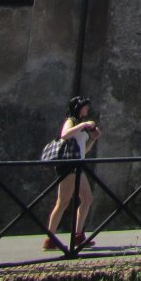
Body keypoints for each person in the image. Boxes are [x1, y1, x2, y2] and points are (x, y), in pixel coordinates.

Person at [44, 95, 101, 250]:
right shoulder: (71, 121)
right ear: (78, 107)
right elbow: (64, 135)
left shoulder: (80, 125)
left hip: (78, 165)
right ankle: (50, 239)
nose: (87, 109)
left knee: (87, 198)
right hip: (69, 167)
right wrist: (83, 125)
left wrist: (93, 139)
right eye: (85, 106)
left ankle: (78, 235)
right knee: (63, 202)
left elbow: (83, 150)